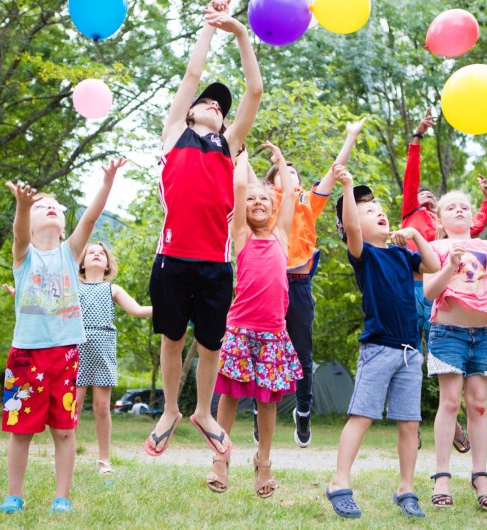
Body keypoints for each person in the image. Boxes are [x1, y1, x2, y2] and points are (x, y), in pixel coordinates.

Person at [145, 0, 262, 459]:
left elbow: (253, 90)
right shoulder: (175, 133)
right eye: (207, 102)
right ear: (191, 111)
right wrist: (208, 29)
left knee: (210, 344)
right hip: (172, 259)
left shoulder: (229, 146)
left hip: (215, 263)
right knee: (172, 340)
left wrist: (239, 33)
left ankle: (203, 412)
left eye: (220, 105)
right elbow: (192, 76)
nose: (214, 104)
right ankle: (171, 410)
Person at [0, 158, 123, 514]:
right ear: (32, 224)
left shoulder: (70, 254)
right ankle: (13, 496)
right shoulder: (24, 258)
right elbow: (20, 233)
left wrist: (108, 182)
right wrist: (22, 205)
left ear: (64, 229)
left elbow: (91, 218)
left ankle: (61, 497)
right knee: (21, 431)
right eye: (41, 205)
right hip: (26, 356)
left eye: (54, 205)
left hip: (65, 355)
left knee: (65, 430)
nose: (48, 206)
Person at [325, 166, 439, 519]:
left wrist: (416, 237)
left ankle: (406, 487)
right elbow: (353, 228)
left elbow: (433, 265)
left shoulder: (403, 256)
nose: (378, 211)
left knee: (409, 423)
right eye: (367, 210)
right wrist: (345, 186)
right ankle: (339, 483)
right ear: (351, 227)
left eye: (378, 207)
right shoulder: (364, 254)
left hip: (409, 351)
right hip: (378, 349)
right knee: (362, 416)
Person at [249, 118, 367, 448]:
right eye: (280, 171)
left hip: (299, 285)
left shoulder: (307, 200)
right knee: (263, 350)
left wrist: (351, 136)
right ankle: (261, 410)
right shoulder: (266, 202)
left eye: (292, 170)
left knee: (302, 355)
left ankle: (302, 411)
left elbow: (335, 168)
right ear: (271, 183)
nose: (287, 173)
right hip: (269, 285)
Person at [208, 145, 302, 497]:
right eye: (252, 200)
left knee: (267, 400)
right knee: (229, 394)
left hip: (274, 334)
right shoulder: (242, 236)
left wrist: (281, 162)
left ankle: (263, 463)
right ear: (242, 211)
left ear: (273, 205)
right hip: (239, 330)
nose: (258, 202)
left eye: (264, 198)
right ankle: (221, 458)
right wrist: (240, 158)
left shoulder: (281, 236)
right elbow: (237, 190)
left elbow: (290, 197)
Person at [401, 108, 487, 453]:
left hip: (450, 293)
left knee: (446, 352)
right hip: (415, 288)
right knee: (413, 351)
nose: (425, 194)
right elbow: (412, 177)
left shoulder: (451, 229)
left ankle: (450, 417)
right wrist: (418, 136)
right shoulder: (411, 213)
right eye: (421, 193)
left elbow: (475, 233)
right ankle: (425, 418)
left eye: (431, 193)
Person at [423, 190, 487, 511]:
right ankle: (441, 477)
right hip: (447, 334)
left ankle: (480, 476)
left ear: (474, 217)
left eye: (465, 206)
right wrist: (449, 266)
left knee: (478, 405)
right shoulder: (434, 248)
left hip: (484, 335)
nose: (459, 210)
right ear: (440, 218)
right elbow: (429, 291)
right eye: (451, 207)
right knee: (449, 403)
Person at [74, 242, 152, 477]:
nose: (96, 255)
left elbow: (138, 310)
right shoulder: (73, 287)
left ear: (107, 264)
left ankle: (104, 461)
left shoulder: (113, 289)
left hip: (103, 351)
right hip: (76, 349)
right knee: (73, 407)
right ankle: (65, 457)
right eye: (91, 253)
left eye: (101, 254)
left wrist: (172, 308)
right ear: (82, 262)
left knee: (101, 408)